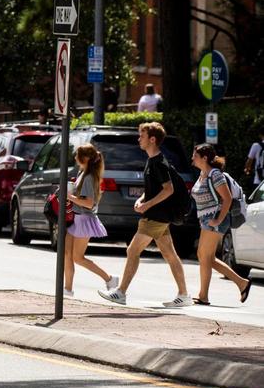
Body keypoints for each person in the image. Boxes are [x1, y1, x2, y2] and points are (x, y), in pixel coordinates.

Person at [98, 122, 191, 308]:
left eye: (142, 136)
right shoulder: (152, 161)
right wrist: (141, 199)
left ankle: (121, 292)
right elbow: (153, 188)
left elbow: (168, 189)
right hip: (158, 215)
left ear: (152, 139)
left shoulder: (158, 163)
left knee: (133, 250)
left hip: (156, 216)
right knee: (169, 254)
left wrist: (147, 204)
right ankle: (184, 295)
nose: (139, 139)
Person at [190, 144, 252, 305]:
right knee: (205, 257)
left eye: (195, 155)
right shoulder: (203, 174)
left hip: (215, 219)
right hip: (206, 219)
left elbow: (228, 198)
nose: (192, 158)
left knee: (205, 257)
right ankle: (241, 283)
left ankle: (204, 295)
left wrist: (217, 220)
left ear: (204, 158)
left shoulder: (215, 175)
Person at [62, 144, 117, 297]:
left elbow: (89, 202)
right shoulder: (83, 173)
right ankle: (67, 289)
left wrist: (70, 197)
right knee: (67, 254)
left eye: (77, 155)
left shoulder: (89, 177)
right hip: (76, 217)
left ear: (84, 158)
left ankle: (110, 279)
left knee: (77, 257)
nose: (75, 158)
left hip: (83, 219)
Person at [245, 124, 264, 193]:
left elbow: (250, 160)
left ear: (260, 135)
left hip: (259, 180)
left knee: (259, 202)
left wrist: (247, 170)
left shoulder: (256, 145)